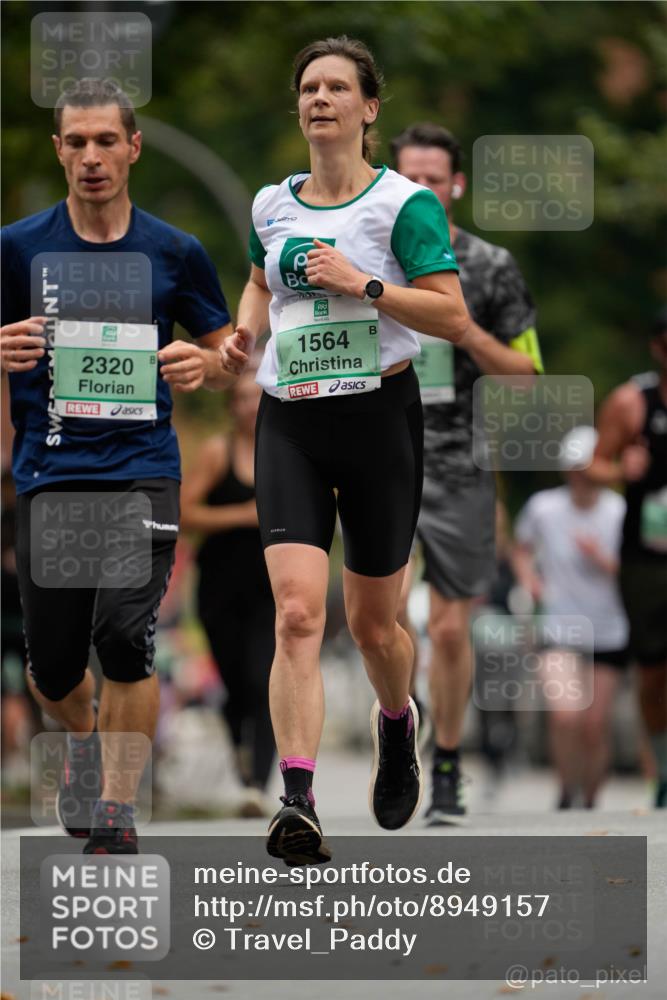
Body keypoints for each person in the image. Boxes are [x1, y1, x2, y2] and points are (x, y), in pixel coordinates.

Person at [220, 36, 468, 865]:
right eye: (308, 88)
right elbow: (259, 278)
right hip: (291, 417)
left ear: (368, 109)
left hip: (378, 419)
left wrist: (358, 282)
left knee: (373, 625)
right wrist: (242, 337)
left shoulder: (403, 206)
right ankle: (297, 801)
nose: (319, 98)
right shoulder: (269, 202)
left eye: (337, 88)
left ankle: (398, 723)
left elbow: (448, 315)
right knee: (296, 613)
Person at [0, 78, 234, 853]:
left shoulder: (174, 251)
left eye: (107, 141)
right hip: (50, 475)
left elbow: (230, 346)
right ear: (58, 150)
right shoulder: (18, 247)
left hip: (141, 471)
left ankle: (117, 812)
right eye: (77, 142)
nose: (92, 157)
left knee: (124, 636)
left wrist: (205, 364)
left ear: (133, 148)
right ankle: (83, 741)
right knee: (55, 669)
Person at [391, 122, 543, 824]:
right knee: (379, 621)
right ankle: (396, 737)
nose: (420, 189)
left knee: (450, 630)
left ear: (455, 186)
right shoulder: (365, 256)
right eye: (408, 178)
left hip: (459, 466)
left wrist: (464, 329)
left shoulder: (488, 266)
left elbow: (524, 374)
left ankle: (446, 761)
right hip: (379, 456)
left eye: (433, 179)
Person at [513, 427, 630, 808]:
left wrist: (602, 559)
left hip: (609, 629)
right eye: (573, 468)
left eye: (586, 468)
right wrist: (529, 578)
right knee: (566, 716)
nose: (580, 476)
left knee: (595, 726)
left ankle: (591, 799)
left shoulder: (619, 511)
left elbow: (634, 571)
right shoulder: (544, 507)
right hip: (559, 627)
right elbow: (520, 548)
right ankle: (566, 790)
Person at [181, 362, 276, 811]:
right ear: (230, 405)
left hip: (272, 591)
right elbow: (184, 514)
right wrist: (243, 516)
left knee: (265, 682)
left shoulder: (284, 452)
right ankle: (240, 748)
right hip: (219, 590)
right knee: (237, 684)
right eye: (240, 399)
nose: (248, 407)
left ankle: (257, 783)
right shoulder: (218, 452)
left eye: (256, 398)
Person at [589, 311, 667, 807]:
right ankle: (660, 766)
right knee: (655, 669)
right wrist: (622, 467)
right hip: (648, 557)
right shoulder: (631, 401)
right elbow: (593, 464)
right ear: (659, 348)